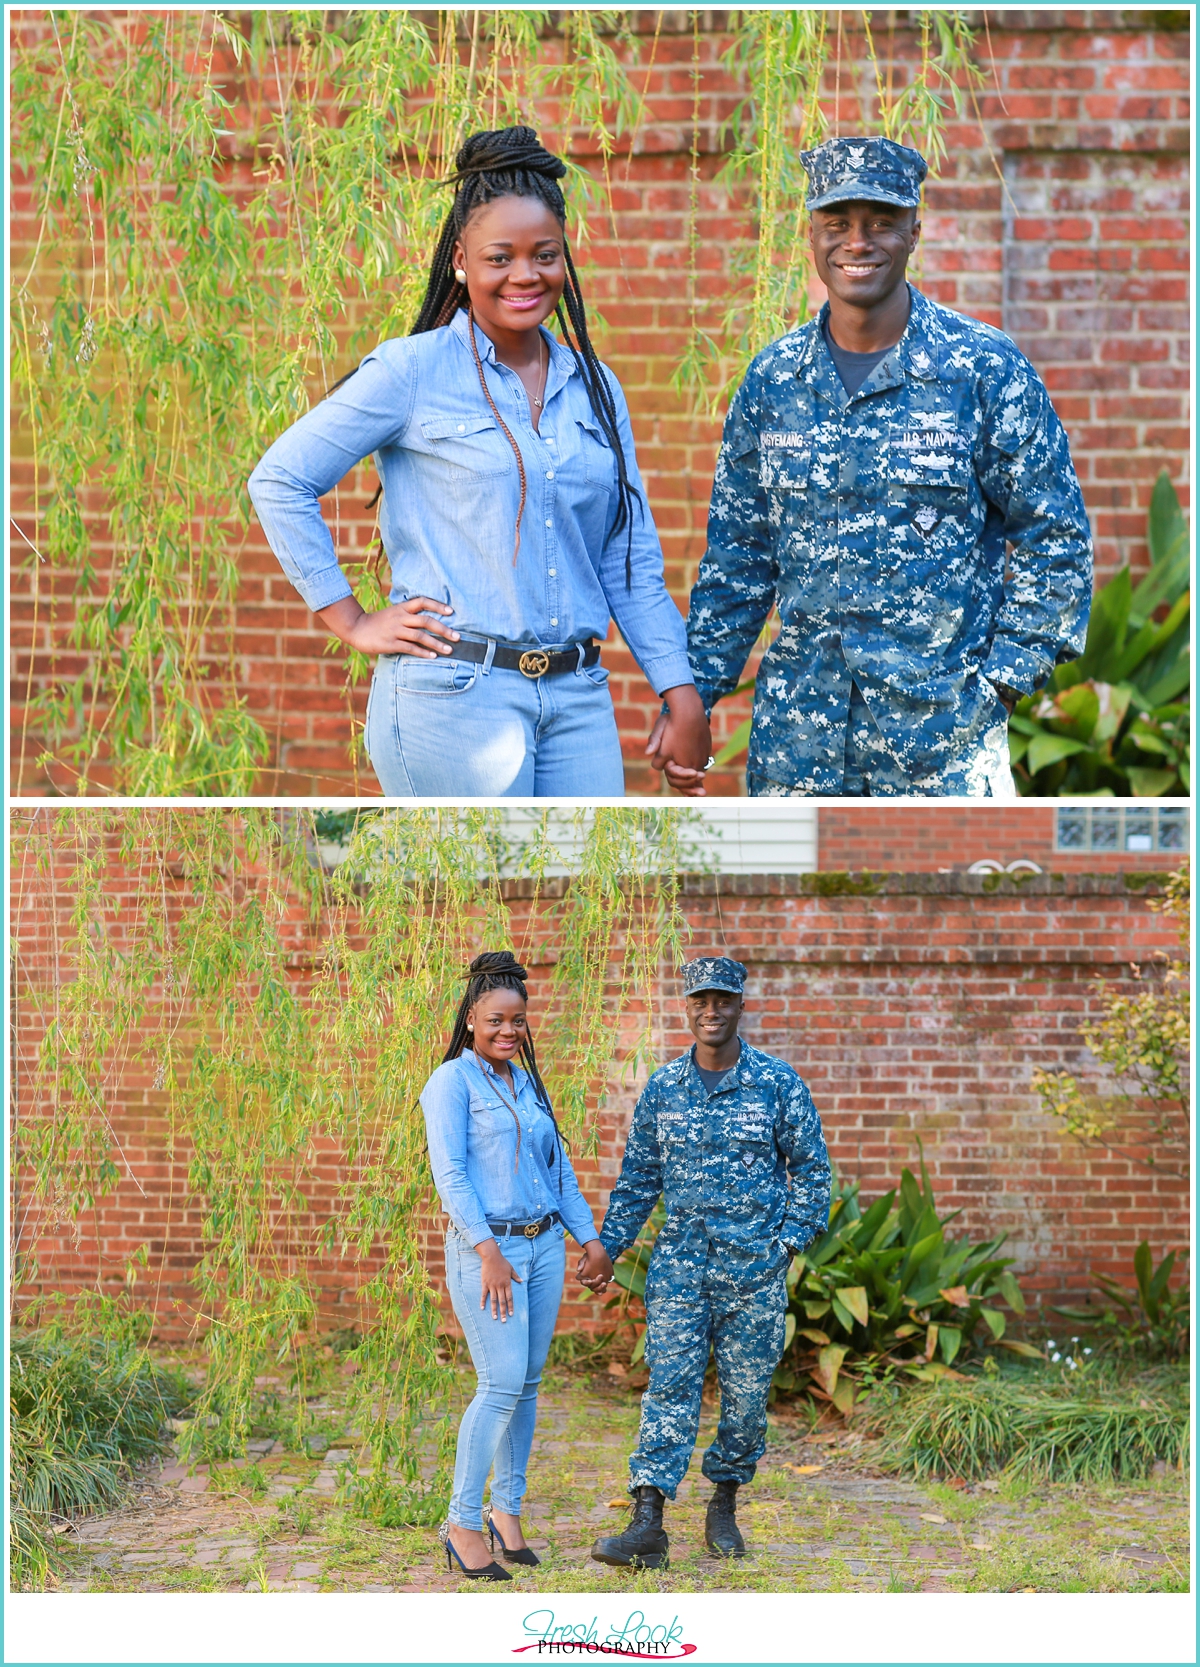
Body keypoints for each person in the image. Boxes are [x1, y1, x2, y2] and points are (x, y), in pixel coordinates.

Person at [248, 125, 711, 797]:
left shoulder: (597, 388)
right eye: (500, 257)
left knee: (585, 892)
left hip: (578, 698)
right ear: (462, 260)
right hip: (454, 697)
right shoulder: (412, 371)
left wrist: (682, 693)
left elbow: (626, 558)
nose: (525, 274)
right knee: (477, 898)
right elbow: (280, 479)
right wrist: (350, 620)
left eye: (544, 254)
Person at [661, 135, 1093, 798]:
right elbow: (738, 564)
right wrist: (696, 694)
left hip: (943, 755)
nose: (856, 242)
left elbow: (1055, 535)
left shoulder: (982, 370)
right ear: (812, 232)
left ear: (914, 230)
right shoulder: (773, 382)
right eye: (837, 223)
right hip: (797, 752)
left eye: (881, 222)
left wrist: (1001, 681)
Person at [583, 957, 830, 1568]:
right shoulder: (664, 1089)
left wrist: (786, 1245)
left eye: (723, 1000)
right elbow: (639, 1178)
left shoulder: (778, 1084)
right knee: (669, 1390)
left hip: (754, 1275)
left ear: (741, 1005)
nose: (711, 1010)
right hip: (680, 1272)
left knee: (745, 1403)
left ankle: (723, 1503)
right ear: (687, 1007)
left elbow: (813, 1172)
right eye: (701, 1000)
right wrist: (607, 1248)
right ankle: (648, 1520)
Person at [421, 951, 614, 1581]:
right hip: (490, 1254)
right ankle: (461, 1522)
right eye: (497, 1020)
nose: (509, 1031)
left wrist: (589, 1239)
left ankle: (507, 1512)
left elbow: (555, 1170)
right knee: (499, 1381)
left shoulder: (525, 1083)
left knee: (528, 1383)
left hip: (542, 1245)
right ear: (472, 1017)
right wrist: (488, 1253)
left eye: (519, 1022)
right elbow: (449, 1174)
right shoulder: (452, 1082)